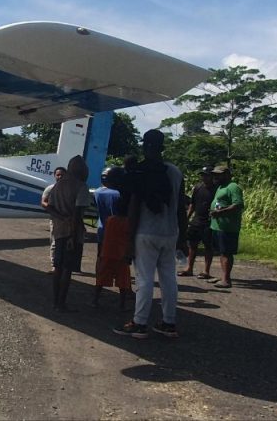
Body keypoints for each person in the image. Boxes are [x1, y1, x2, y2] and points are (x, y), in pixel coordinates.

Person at [113, 130, 184, 339]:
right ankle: (169, 322)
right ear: (163, 147)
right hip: (170, 233)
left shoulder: (140, 172)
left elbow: (134, 207)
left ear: (145, 146)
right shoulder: (175, 172)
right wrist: (183, 236)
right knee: (168, 278)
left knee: (144, 279)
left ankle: (139, 322)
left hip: (146, 232)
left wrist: (129, 240)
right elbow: (181, 207)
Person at [45, 156, 90, 312]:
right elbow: (77, 213)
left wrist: (61, 218)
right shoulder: (81, 186)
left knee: (58, 267)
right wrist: (73, 234)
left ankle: (54, 301)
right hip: (72, 233)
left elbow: (49, 206)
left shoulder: (57, 186)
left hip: (58, 231)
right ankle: (61, 303)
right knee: (67, 269)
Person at [92, 166, 132, 309]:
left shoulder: (98, 192)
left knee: (102, 264)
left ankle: (96, 297)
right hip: (120, 246)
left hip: (104, 232)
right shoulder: (118, 195)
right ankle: (125, 298)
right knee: (123, 275)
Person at [179, 167, 218, 278]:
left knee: (208, 246)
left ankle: (206, 271)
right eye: (202, 175)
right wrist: (186, 218)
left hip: (209, 221)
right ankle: (189, 268)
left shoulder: (216, 189)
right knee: (192, 245)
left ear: (211, 176)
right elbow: (192, 204)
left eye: (206, 175)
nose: (204, 177)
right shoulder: (198, 187)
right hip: (197, 220)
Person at [209, 165, 243, 289]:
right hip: (218, 226)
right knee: (221, 252)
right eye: (214, 174)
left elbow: (237, 205)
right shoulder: (220, 187)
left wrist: (220, 212)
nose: (215, 176)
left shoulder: (233, 187)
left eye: (219, 174)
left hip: (228, 227)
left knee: (226, 253)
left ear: (227, 175)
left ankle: (226, 279)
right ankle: (223, 276)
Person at [41, 166, 67, 273]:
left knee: (67, 243)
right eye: (58, 175)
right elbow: (43, 202)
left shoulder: (69, 190)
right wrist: (54, 211)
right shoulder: (50, 188)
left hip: (68, 220)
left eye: (62, 175)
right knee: (55, 243)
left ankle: (64, 265)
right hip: (55, 220)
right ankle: (54, 266)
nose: (60, 177)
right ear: (54, 176)